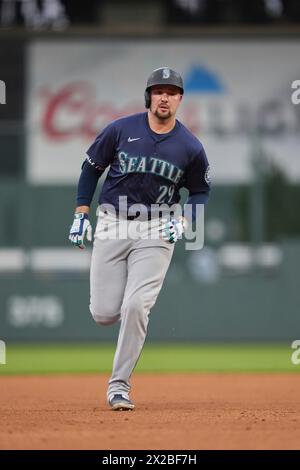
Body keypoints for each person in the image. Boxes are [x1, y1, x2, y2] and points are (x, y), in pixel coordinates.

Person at [69, 67, 211, 411]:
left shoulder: (190, 146)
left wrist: (185, 219)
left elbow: (200, 192)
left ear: (179, 100)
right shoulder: (120, 129)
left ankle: (119, 386)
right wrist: (80, 213)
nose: (165, 97)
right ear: (149, 96)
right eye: (159, 91)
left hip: (157, 229)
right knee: (104, 314)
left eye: (172, 92)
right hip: (112, 222)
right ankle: (120, 315)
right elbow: (91, 169)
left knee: (136, 307)